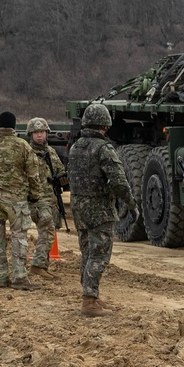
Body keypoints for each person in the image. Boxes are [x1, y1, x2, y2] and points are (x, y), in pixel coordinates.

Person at [67, 103, 136, 317]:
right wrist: (131, 203)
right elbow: (119, 180)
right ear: (105, 125)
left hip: (79, 207)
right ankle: (89, 300)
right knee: (100, 255)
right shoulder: (103, 148)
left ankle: (91, 296)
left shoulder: (76, 146)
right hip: (99, 209)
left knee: (87, 253)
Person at [0, 110, 43, 290]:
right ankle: (19, 277)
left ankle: (1, 278)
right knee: (19, 238)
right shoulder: (22, 146)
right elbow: (34, 174)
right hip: (16, 202)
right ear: (13, 126)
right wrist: (35, 195)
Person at [26, 117, 67, 279]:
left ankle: (43, 265)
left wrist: (60, 179)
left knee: (49, 230)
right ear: (31, 134)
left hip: (51, 198)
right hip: (36, 200)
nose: (39, 136)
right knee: (48, 231)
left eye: (42, 132)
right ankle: (37, 265)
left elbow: (60, 173)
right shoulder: (27, 152)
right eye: (36, 132)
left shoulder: (50, 152)